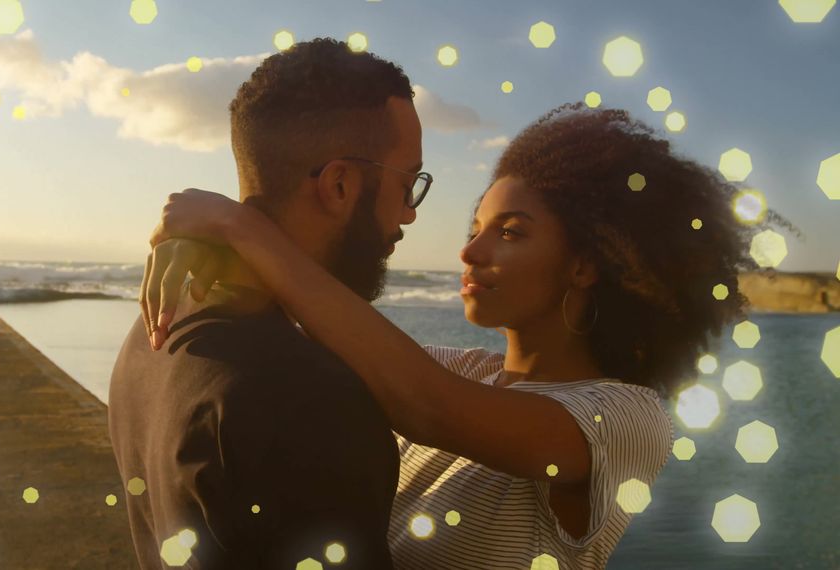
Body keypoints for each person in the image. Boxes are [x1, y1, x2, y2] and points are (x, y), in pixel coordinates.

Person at [139, 103, 804, 568]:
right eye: (475, 228)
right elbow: (321, 341)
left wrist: (244, 230)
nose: (469, 253)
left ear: (584, 264)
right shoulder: (466, 370)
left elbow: (424, 405)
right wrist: (216, 260)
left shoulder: (625, 419)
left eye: (509, 233)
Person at [108, 38, 425, 569]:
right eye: (408, 183)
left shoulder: (151, 331)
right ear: (340, 184)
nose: (410, 215)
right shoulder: (314, 404)